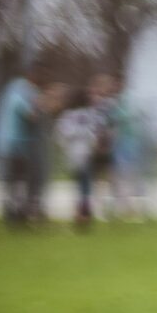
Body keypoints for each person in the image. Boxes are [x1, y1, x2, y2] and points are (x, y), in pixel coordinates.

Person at [0, 63, 45, 226]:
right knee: (14, 180)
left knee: (19, 180)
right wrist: (40, 108)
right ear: (31, 74)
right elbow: (29, 114)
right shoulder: (18, 89)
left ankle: (19, 211)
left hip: (20, 144)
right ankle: (13, 213)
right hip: (11, 143)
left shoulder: (24, 90)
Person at [52, 84, 105, 227]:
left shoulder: (68, 116)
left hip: (74, 154)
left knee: (80, 185)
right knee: (85, 185)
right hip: (85, 153)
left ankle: (81, 212)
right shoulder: (89, 115)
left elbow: (60, 135)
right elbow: (96, 133)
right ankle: (84, 212)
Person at [94, 75, 146, 220]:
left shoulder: (119, 102)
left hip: (119, 146)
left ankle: (123, 207)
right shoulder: (103, 104)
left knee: (121, 177)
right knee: (105, 178)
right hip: (105, 146)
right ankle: (103, 207)